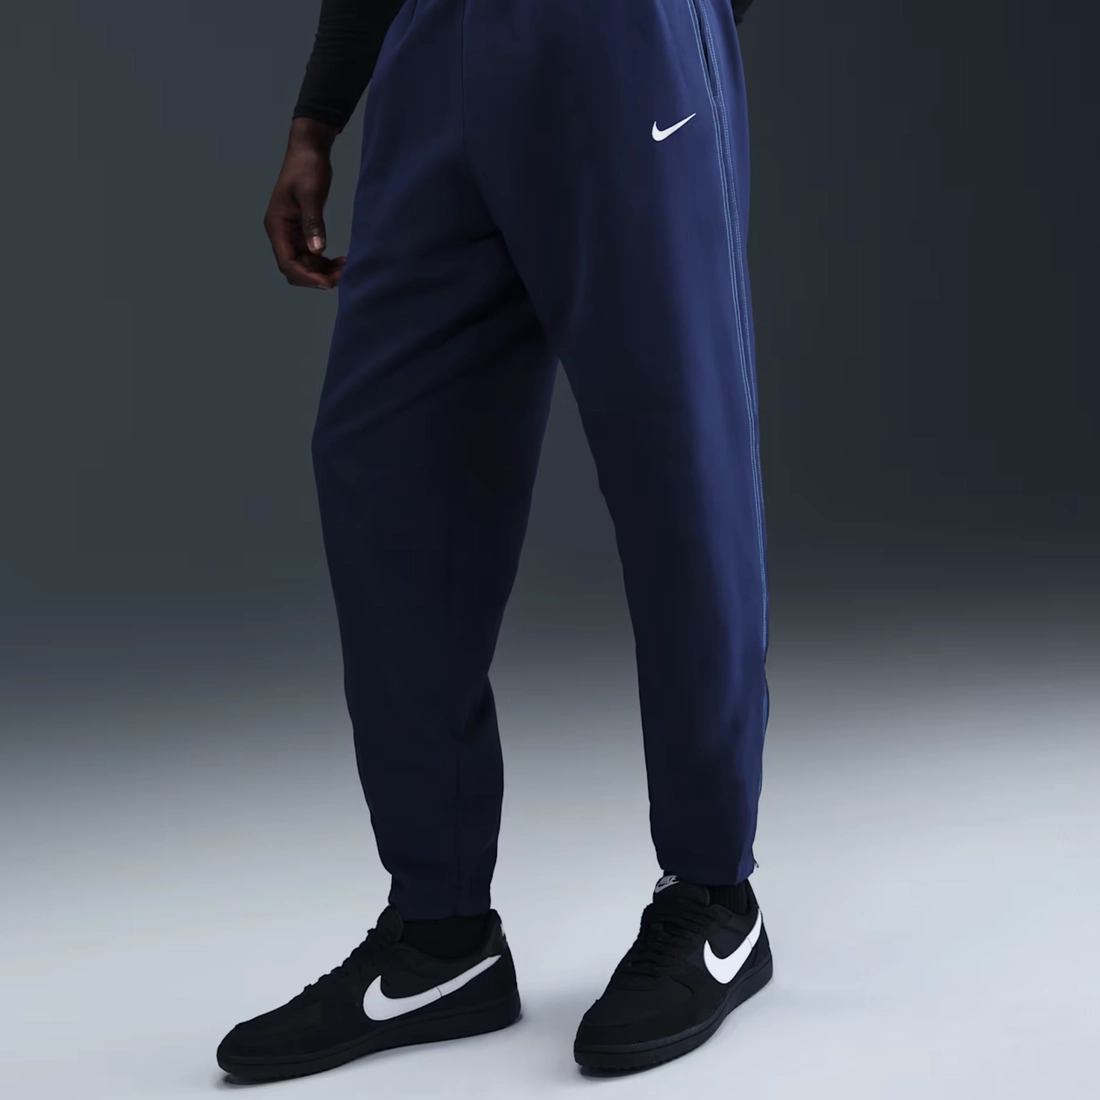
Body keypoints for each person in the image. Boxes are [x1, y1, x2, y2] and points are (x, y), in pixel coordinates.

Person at [217, 0, 771, 1079]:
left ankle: (714, 898)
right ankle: (441, 936)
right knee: (384, 467)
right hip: (434, 47)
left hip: (623, 44)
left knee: (677, 459)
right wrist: (318, 114)